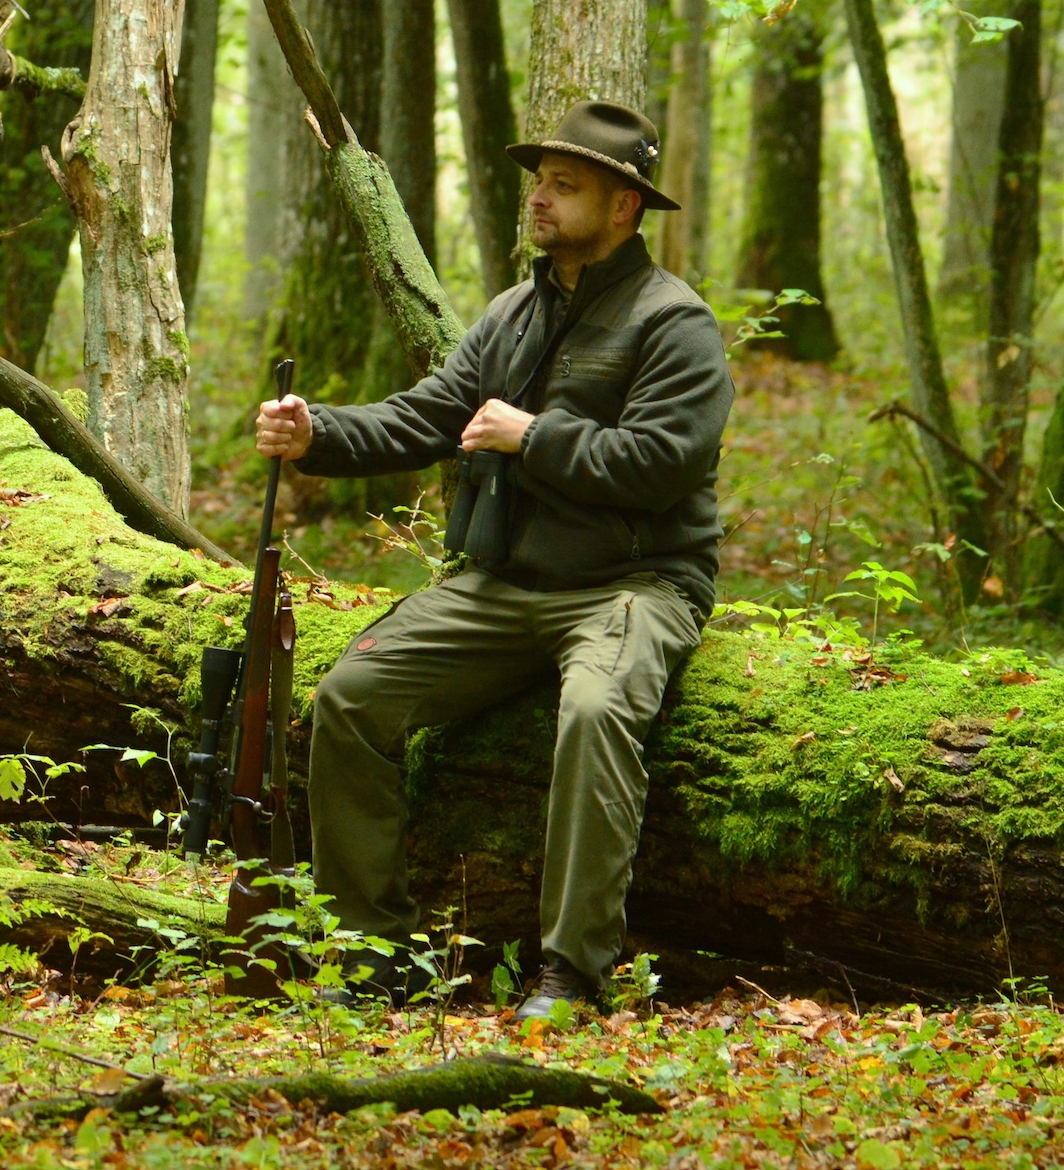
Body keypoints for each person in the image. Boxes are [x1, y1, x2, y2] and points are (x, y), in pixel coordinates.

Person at [254, 100, 733, 1019]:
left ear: (624, 205)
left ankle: (571, 974)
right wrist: (318, 433)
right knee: (350, 695)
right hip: (505, 584)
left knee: (594, 709)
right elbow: (426, 414)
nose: (539, 199)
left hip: (635, 586)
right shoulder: (513, 312)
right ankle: (376, 953)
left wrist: (534, 435)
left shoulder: (675, 322)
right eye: (539, 182)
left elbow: (664, 463)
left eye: (564, 185)